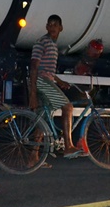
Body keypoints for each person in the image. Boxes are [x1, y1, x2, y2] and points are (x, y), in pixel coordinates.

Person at [28, 14, 84, 159]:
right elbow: (34, 67)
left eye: (55, 25)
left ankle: (33, 157)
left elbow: (48, 71)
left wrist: (59, 81)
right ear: (46, 27)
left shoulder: (53, 45)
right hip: (41, 81)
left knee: (43, 119)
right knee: (68, 107)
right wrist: (32, 93)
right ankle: (68, 146)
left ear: (61, 28)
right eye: (50, 24)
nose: (52, 27)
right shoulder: (42, 42)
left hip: (44, 80)